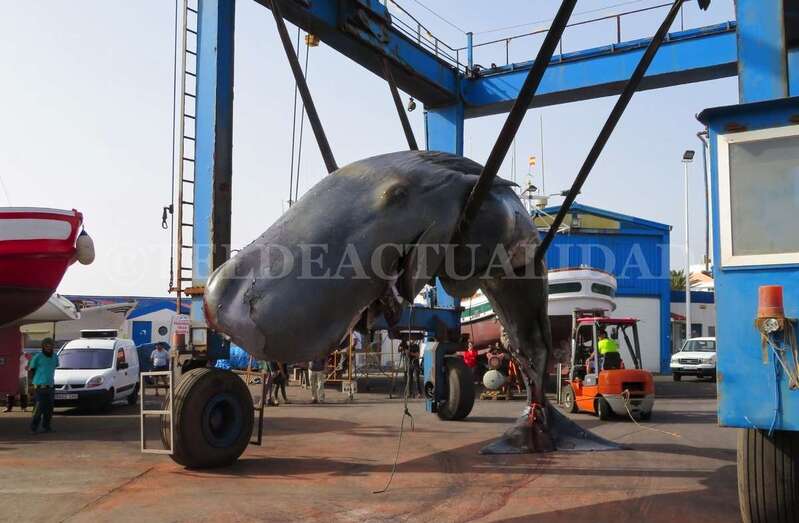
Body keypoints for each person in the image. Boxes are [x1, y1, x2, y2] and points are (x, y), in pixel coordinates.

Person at [28, 338, 59, 433]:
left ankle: (46, 427)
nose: (48, 348)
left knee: (49, 410)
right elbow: (31, 370)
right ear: (43, 347)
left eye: (50, 346)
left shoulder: (55, 356)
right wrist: (30, 384)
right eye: (46, 346)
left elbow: (55, 366)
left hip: (50, 387)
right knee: (38, 409)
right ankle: (33, 428)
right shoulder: (37, 357)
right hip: (39, 388)